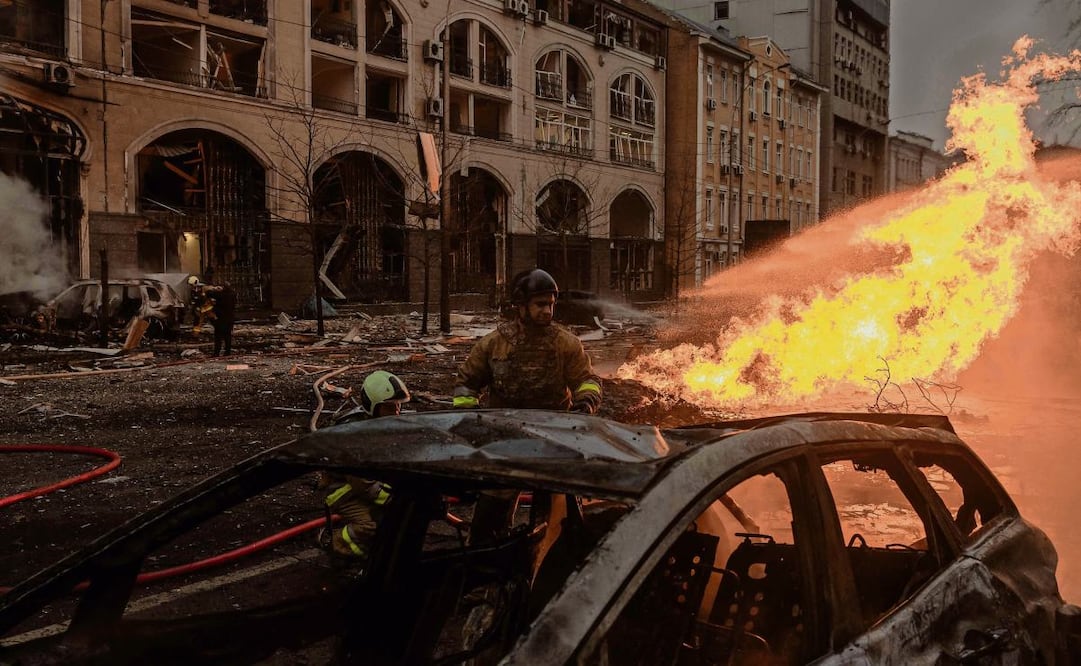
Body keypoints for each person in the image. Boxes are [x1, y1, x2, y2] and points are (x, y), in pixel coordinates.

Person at [453, 268, 602, 414]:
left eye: (550, 304)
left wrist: (586, 401)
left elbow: (586, 381)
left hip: (554, 426)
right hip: (504, 425)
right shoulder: (492, 344)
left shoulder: (566, 344)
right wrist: (468, 413)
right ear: (521, 304)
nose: (548, 311)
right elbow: (466, 383)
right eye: (540, 304)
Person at [319, 370, 411, 561]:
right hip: (342, 489)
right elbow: (362, 483)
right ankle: (340, 545)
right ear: (372, 407)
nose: (396, 412)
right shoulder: (355, 435)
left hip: (365, 483)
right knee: (370, 526)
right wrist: (395, 498)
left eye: (398, 405)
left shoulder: (379, 424)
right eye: (389, 407)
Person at [205, 281, 236, 356]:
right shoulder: (233, 294)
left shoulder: (220, 294)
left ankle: (217, 352)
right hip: (230, 318)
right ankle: (227, 352)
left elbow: (208, 293)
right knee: (227, 336)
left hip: (220, 318)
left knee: (218, 337)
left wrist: (214, 288)